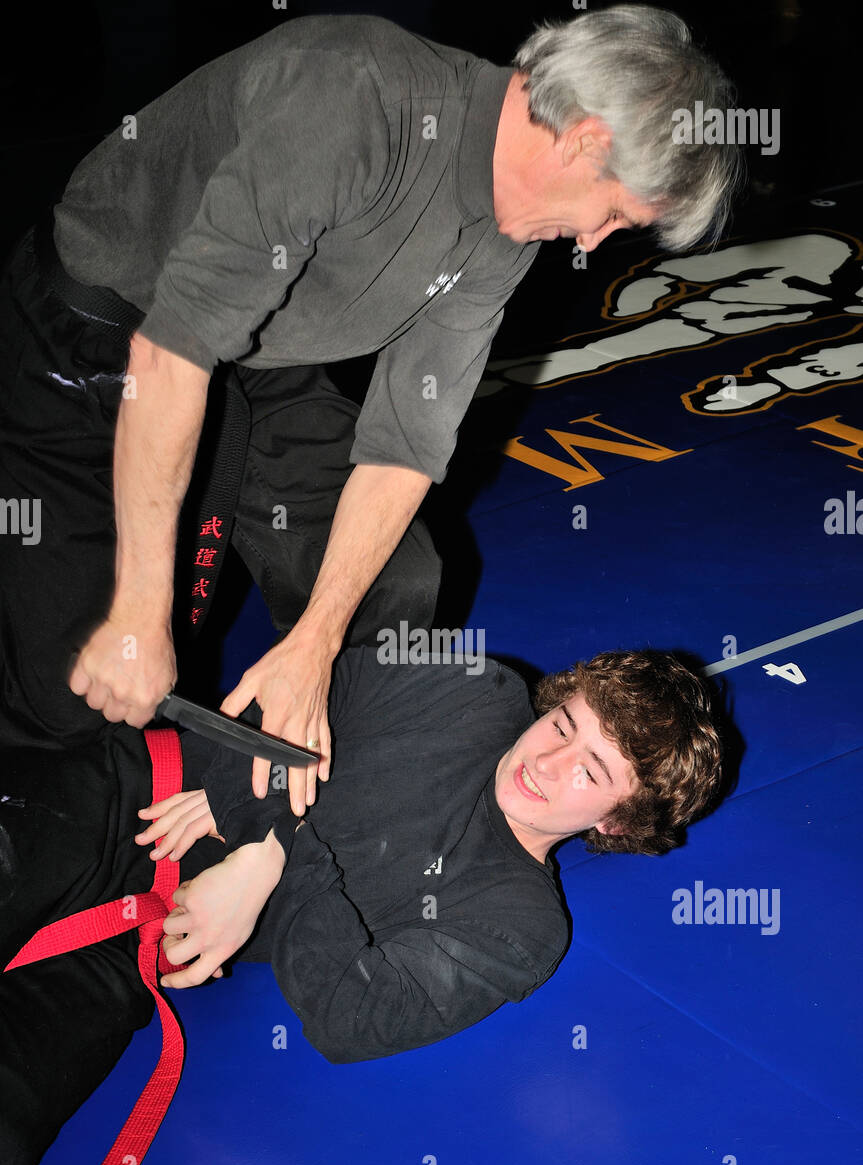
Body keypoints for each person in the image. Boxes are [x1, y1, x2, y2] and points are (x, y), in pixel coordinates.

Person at [0, 7, 742, 815]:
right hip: (97, 346)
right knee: (75, 682)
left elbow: (403, 445)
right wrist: (141, 610)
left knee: (397, 584)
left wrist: (313, 646)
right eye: (613, 215)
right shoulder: (353, 97)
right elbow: (168, 357)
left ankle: (300, 821)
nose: (592, 242)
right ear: (584, 139)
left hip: (256, 358)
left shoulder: (509, 232)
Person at [0, 644, 725, 1165]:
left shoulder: (520, 925)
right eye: (564, 725)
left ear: (619, 825)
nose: (549, 760)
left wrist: (281, 857)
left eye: (591, 771)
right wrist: (263, 848)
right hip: (122, 800)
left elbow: (353, 1015)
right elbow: (278, 702)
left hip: (143, 943)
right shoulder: (472, 688)